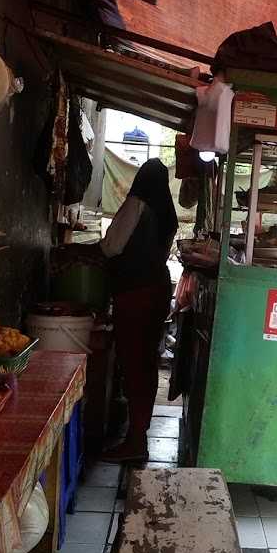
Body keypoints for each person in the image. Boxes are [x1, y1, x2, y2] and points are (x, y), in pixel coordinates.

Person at [100, 158, 178, 464]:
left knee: (133, 364)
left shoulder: (138, 203)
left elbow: (112, 246)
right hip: (158, 289)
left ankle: (135, 441)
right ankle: (138, 433)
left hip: (135, 291)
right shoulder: (168, 211)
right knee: (146, 364)